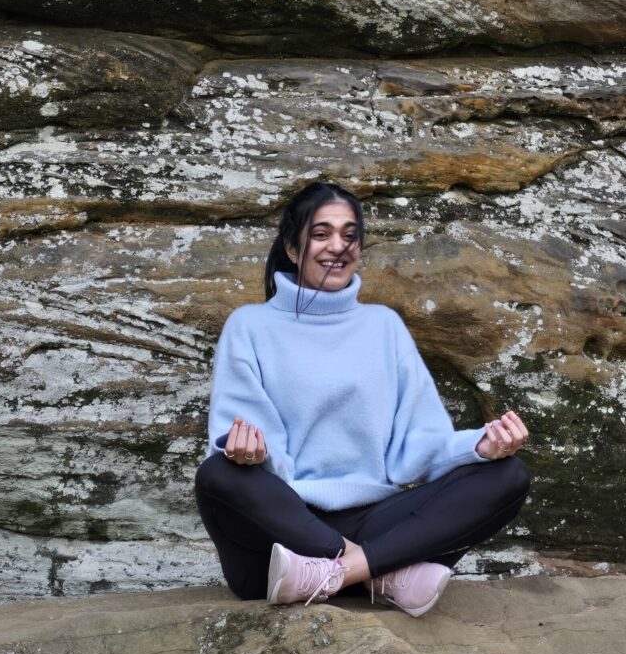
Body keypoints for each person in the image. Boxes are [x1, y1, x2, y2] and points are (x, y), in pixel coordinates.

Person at [193, 181, 530, 617]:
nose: (338, 246)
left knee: (508, 476)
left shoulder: (383, 326)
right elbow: (245, 438)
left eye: (350, 235)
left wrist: (479, 448)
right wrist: (250, 452)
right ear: (293, 249)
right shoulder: (250, 326)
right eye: (321, 234)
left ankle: (342, 572)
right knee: (218, 473)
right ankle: (380, 575)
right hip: (278, 543)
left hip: (376, 525)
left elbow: (421, 444)